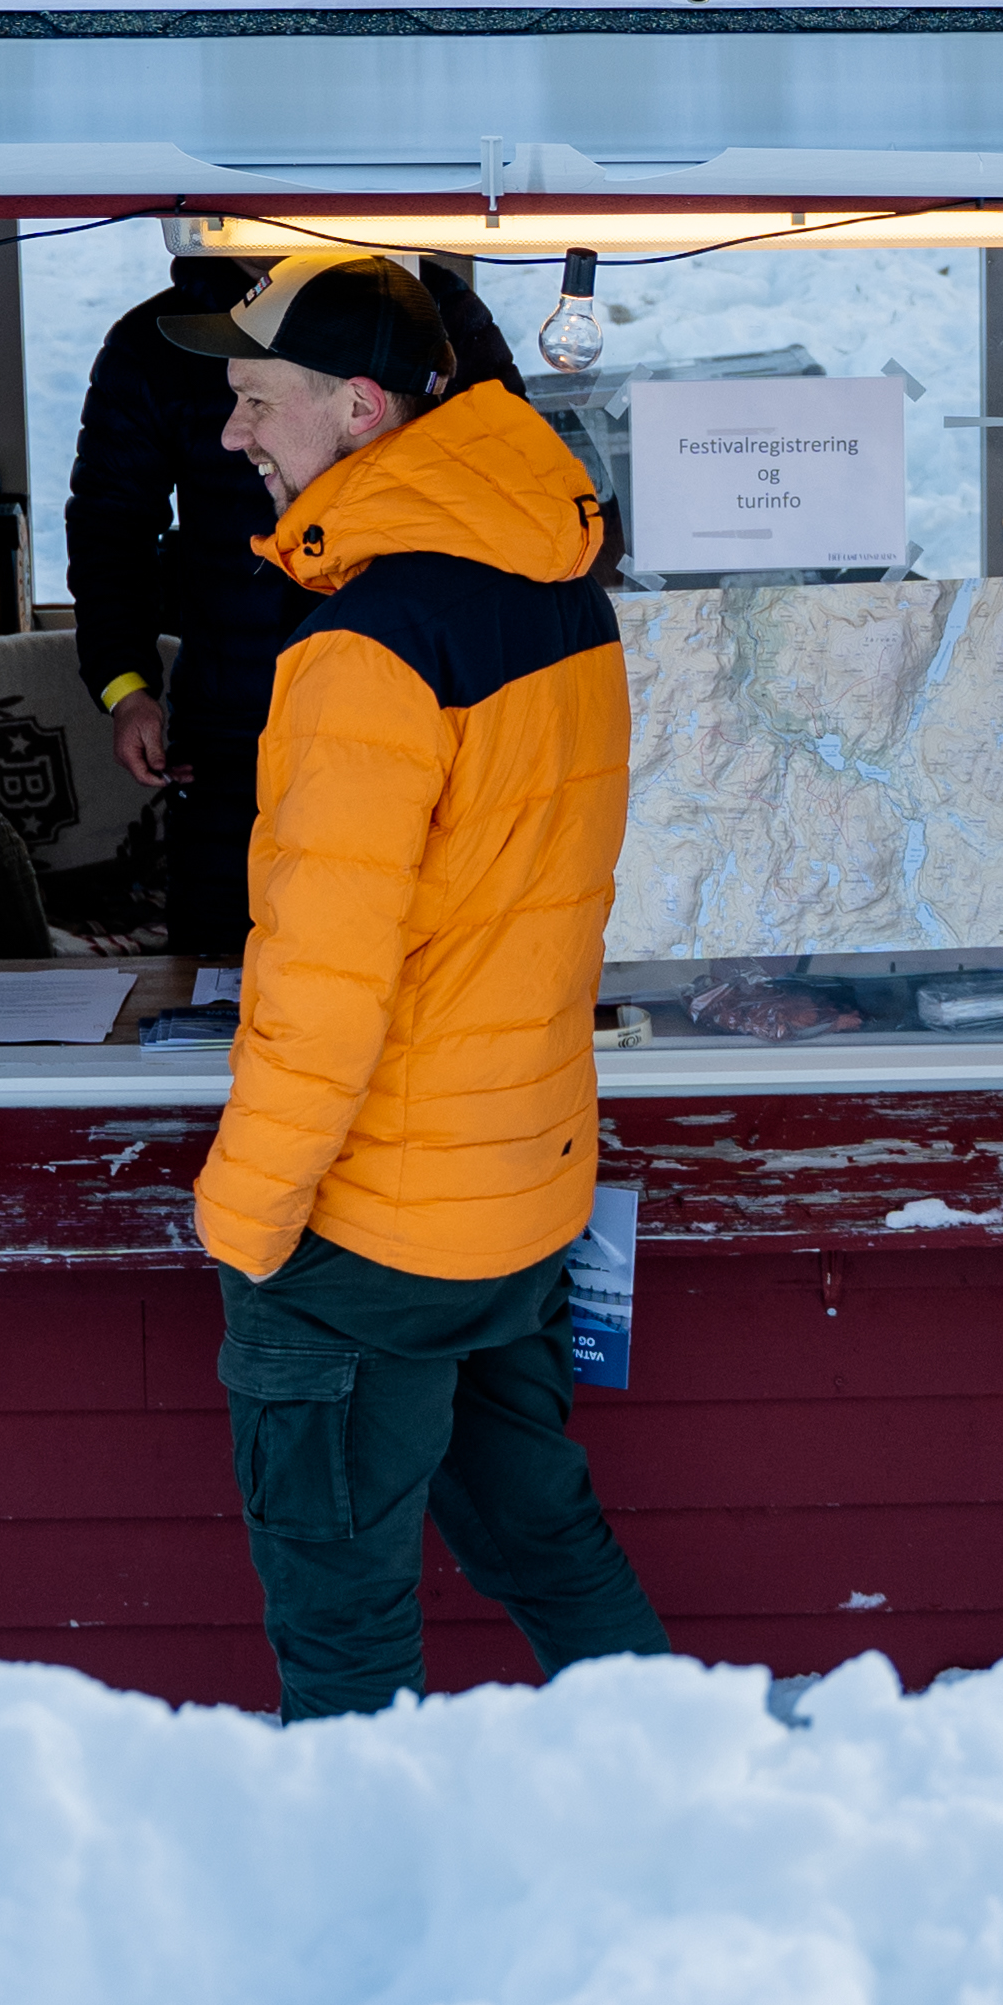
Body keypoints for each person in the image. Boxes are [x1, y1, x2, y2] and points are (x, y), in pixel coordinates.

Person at [168, 247, 666, 1719]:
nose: (233, 434)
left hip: (368, 1228)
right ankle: (693, 1810)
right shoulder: (558, 580)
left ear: (363, 407)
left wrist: (247, 1225)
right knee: (548, 1545)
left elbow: (322, 975)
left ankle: (355, 1917)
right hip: (514, 1195)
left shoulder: (364, 643)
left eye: (259, 401)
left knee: (345, 1635)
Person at [71, 250, 520, 958]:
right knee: (227, 968)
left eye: (255, 404)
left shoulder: (427, 310)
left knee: (403, 953)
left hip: (414, 716)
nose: (234, 433)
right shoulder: (159, 341)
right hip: (232, 731)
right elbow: (107, 527)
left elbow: (503, 476)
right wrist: (124, 684)